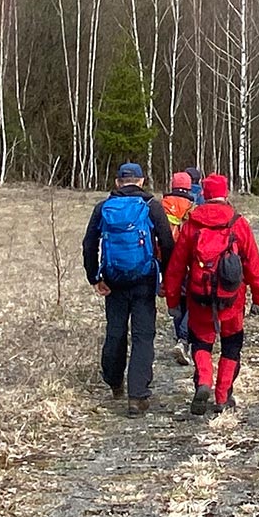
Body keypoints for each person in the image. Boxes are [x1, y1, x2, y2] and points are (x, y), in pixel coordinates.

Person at [163, 173, 259, 415]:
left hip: (199, 296)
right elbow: (253, 264)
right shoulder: (237, 223)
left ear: (204, 194)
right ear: (226, 193)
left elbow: (177, 266)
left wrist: (172, 300)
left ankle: (204, 383)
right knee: (232, 345)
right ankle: (222, 397)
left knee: (201, 342)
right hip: (232, 299)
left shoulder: (192, 224)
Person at [83, 163, 175, 417]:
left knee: (116, 331)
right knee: (143, 336)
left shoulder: (103, 208)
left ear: (117, 182)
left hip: (113, 279)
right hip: (144, 279)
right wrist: (167, 279)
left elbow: (89, 244)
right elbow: (167, 244)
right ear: (142, 181)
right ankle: (137, 396)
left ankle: (114, 382)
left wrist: (94, 277)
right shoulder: (151, 206)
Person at [159, 171, 198, 366]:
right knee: (191, 300)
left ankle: (179, 339)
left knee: (175, 299)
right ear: (189, 186)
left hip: (165, 259)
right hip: (188, 260)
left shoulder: (160, 205)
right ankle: (183, 340)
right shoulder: (193, 206)